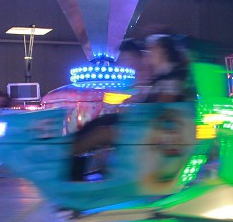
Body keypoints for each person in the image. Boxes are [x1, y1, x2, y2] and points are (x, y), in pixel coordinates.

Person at [69, 34, 194, 180]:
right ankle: (77, 166)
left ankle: (72, 166)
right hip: (143, 124)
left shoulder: (171, 78)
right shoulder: (163, 77)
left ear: (163, 51)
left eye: (151, 49)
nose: (147, 53)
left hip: (147, 129)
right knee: (95, 125)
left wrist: (134, 107)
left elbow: (162, 108)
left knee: (98, 133)